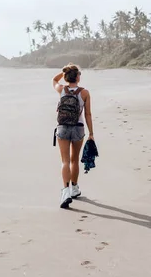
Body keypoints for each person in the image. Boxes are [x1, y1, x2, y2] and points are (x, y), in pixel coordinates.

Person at [52, 63, 94, 209]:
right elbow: (87, 114)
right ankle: (75, 188)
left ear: (66, 76)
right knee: (74, 160)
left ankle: (66, 192)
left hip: (63, 127)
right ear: (77, 77)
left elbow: (54, 80)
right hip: (78, 128)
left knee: (65, 161)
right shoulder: (84, 93)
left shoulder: (62, 89)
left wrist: (63, 72)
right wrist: (91, 133)